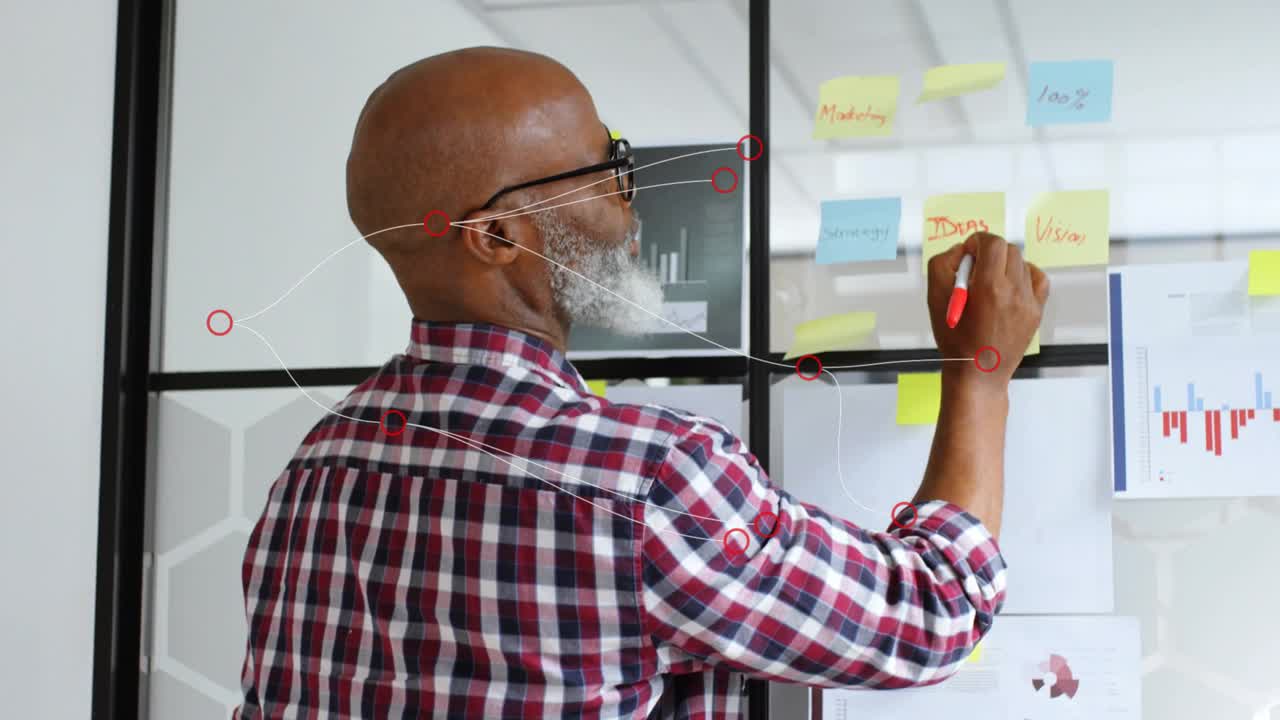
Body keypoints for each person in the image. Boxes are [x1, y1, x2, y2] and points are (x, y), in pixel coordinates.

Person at [233, 46, 1049, 720]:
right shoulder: (645, 482)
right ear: (497, 236)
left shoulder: (316, 468)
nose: (629, 202)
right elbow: (934, 611)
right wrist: (981, 375)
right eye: (607, 169)